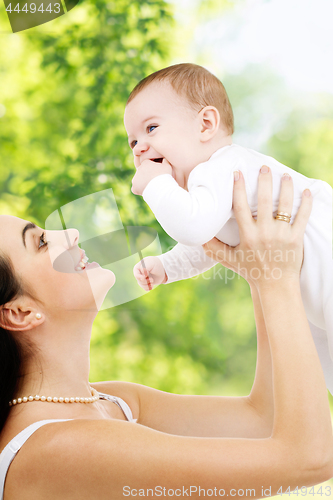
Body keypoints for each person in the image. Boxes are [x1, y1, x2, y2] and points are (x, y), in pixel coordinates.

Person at [0, 169, 332, 500]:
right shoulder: (59, 449)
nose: (70, 233)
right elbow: (309, 460)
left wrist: (259, 267)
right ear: (20, 312)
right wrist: (277, 279)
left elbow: (263, 421)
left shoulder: (113, 402)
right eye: (41, 242)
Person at [125, 63, 333, 394]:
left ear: (206, 124)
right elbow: (207, 243)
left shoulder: (221, 166)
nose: (138, 148)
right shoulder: (211, 192)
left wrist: (155, 186)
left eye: (151, 129)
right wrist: (167, 266)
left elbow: (193, 229)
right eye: (132, 141)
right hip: (312, 297)